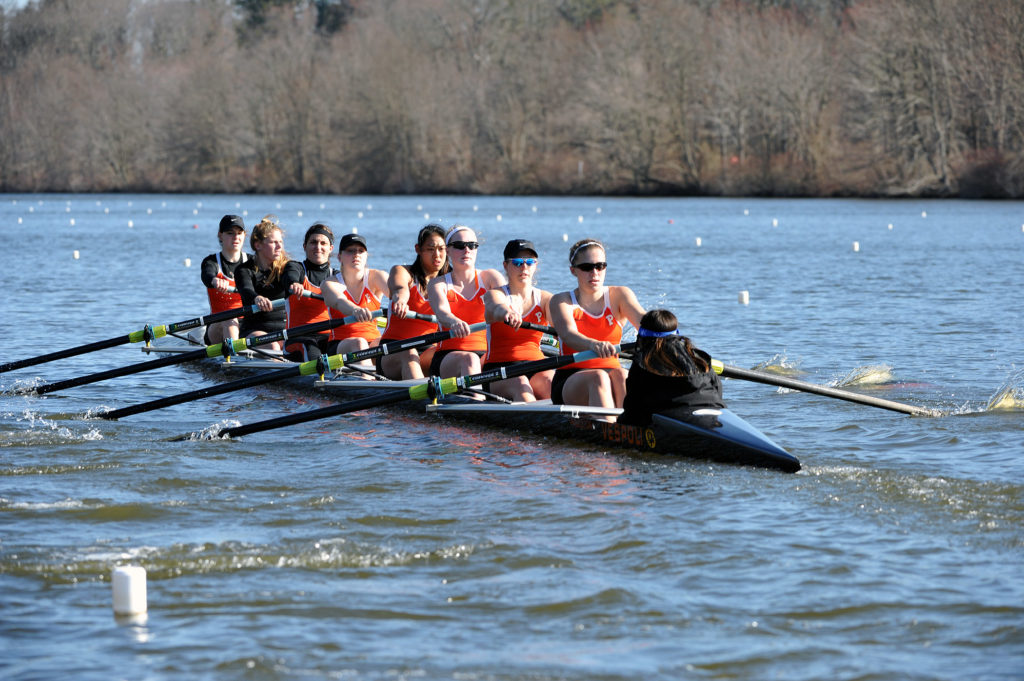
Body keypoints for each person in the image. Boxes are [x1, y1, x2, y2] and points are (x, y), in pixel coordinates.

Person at [549, 238, 645, 416]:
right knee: (598, 377)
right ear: (573, 271)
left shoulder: (620, 295)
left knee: (623, 376)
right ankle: (611, 431)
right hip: (571, 377)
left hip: (612, 373)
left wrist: (663, 333)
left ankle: (632, 428)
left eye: (600, 266)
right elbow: (568, 334)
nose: (595, 272)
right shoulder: (561, 301)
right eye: (587, 267)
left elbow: (644, 322)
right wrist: (593, 344)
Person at [619, 309, 725, 426]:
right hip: (716, 412)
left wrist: (619, 428)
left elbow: (632, 407)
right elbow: (717, 389)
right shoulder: (699, 358)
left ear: (642, 335)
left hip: (672, 419)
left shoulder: (643, 363)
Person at [426, 225, 505, 379]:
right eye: (460, 246)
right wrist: (454, 321)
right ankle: (476, 401)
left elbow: (504, 303)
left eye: (472, 246)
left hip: (487, 354)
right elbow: (443, 313)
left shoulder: (491, 278)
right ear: (447, 251)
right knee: (470, 359)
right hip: (449, 356)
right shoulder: (438, 284)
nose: (467, 250)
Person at [481, 239, 554, 401]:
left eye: (529, 262)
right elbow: (496, 307)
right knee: (521, 385)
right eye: (518, 262)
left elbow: (560, 324)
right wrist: (507, 312)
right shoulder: (495, 294)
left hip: (537, 365)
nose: (524, 267)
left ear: (535, 265)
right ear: (506, 266)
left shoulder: (546, 299)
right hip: (498, 369)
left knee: (552, 384)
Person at [379, 224, 451, 380]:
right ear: (418, 249)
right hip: (394, 350)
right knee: (409, 352)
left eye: (441, 249)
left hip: (428, 349)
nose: (437, 255)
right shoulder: (402, 271)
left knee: (459, 355)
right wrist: (401, 301)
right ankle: (423, 400)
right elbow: (400, 288)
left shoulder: (451, 282)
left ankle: (471, 398)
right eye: (431, 249)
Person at [321, 233, 389, 366]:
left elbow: (397, 292)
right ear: (339, 257)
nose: (356, 254)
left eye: (360, 251)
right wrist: (356, 310)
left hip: (372, 341)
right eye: (350, 251)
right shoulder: (330, 283)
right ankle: (370, 382)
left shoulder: (377, 277)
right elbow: (339, 301)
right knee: (359, 343)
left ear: (366, 256)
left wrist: (401, 302)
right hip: (341, 344)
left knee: (389, 343)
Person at [281, 223, 335, 361]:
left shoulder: (337, 276)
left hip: (330, 337)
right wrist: (294, 283)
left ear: (331, 248)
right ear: (304, 246)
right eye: (313, 242)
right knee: (311, 351)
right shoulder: (296, 268)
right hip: (299, 337)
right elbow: (290, 275)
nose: (318, 247)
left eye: (323, 243)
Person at [235, 215, 290, 352]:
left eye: (280, 242)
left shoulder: (287, 268)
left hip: (284, 329)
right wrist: (257, 298)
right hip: (255, 330)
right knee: (273, 346)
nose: (279, 247)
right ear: (258, 245)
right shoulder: (244, 270)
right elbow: (246, 290)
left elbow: (295, 279)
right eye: (273, 243)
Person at [200, 215, 249, 344]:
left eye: (239, 233)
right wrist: (214, 280)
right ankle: (234, 361)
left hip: (247, 325)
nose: (236, 237)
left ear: (244, 235)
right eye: (230, 233)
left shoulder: (252, 262)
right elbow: (207, 275)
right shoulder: (211, 262)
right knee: (230, 319)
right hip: (218, 324)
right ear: (220, 235)